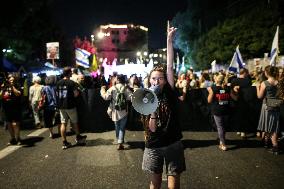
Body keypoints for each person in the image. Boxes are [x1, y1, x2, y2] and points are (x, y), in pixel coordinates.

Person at [140, 27, 186, 189]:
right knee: (155, 182)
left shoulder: (169, 92)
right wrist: (152, 109)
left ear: (166, 81)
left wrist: (168, 41)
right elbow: (151, 128)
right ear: (149, 80)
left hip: (172, 141)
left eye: (160, 78)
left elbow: (169, 66)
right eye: (153, 78)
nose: (157, 81)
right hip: (154, 144)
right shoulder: (144, 98)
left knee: (173, 179)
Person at [56, 67, 87, 149]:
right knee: (74, 122)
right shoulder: (71, 83)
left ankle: (64, 142)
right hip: (70, 105)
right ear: (69, 73)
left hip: (61, 106)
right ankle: (78, 138)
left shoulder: (58, 83)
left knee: (63, 123)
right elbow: (76, 94)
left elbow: (56, 94)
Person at [100, 74, 132, 150]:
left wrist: (102, 90)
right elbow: (130, 98)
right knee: (122, 127)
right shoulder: (125, 88)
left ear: (117, 80)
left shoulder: (113, 88)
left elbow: (106, 97)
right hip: (124, 110)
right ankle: (120, 141)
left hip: (115, 111)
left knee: (117, 126)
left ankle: (119, 140)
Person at [207, 74, 238, 151]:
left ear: (216, 80)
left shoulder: (213, 88)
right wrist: (236, 91)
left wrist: (210, 92)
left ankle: (223, 144)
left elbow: (209, 100)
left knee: (220, 127)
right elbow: (235, 98)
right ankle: (221, 141)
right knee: (223, 127)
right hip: (226, 110)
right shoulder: (227, 88)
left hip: (217, 111)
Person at [256, 65, 281, 155]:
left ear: (266, 73)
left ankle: (275, 146)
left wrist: (257, 88)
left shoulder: (264, 83)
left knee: (269, 127)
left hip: (267, 107)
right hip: (277, 106)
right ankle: (266, 142)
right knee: (273, 125)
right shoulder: (279, 82)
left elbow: (259, 96)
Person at [0, 74, 22, 145]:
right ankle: (12, 138)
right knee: (9, 124)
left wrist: (12, 86)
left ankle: (18, 138)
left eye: (13, 80)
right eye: (10, 80)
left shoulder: (17, 85)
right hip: (6, 108)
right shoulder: (4, 86)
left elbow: (18, 94)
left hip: (15, 108)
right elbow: (0, 96)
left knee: (16, 124)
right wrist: (2, 89)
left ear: (15, 80)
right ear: (8, 80)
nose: (11, 81)